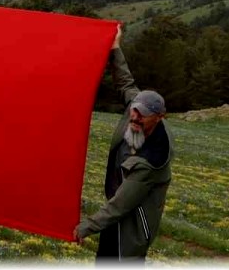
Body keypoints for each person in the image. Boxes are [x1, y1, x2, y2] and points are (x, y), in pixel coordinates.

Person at [74, 29, 174, 263]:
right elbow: (125, 81)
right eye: (134, 111)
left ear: (160, 117)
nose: (135, 118)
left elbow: (122, 204)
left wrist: (86, 227)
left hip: (132, 227)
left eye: (143, 115)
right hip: (115, 216)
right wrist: (114, 46)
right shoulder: (136, 107)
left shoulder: (153, 159)